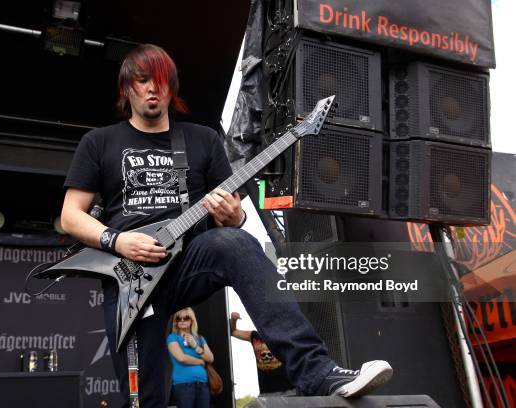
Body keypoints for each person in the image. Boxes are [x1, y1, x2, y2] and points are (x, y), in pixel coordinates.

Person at [60, 43, 393, 408]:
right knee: (145, 398)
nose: (152, 89)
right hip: (128, 276)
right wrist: (118, 240)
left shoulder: (201, 140)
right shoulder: (99, 142)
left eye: (160, 81)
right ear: (127, 89)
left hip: (185, 261)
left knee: (234, 243)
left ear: (171, 88)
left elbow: (231, 213)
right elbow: (71, 216)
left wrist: (237, 217)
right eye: (142, 81)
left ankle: (318, 372)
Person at [229, 312, 295, 396]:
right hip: (266, 393)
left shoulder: (285, 335)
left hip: (289, 391)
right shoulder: (254, 336)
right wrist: (234, 320)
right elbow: (233, 332)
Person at [167, 308, 214, 408]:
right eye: (179, 318)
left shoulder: (199, 338)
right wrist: (200, 362)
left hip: (202, 383)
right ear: (175, 322)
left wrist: (195, 346)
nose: (182, 320)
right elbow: (181, 358)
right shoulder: (172, 337)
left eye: (186, 318)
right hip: (184, 385)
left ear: (192, 320)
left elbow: (210, 358)